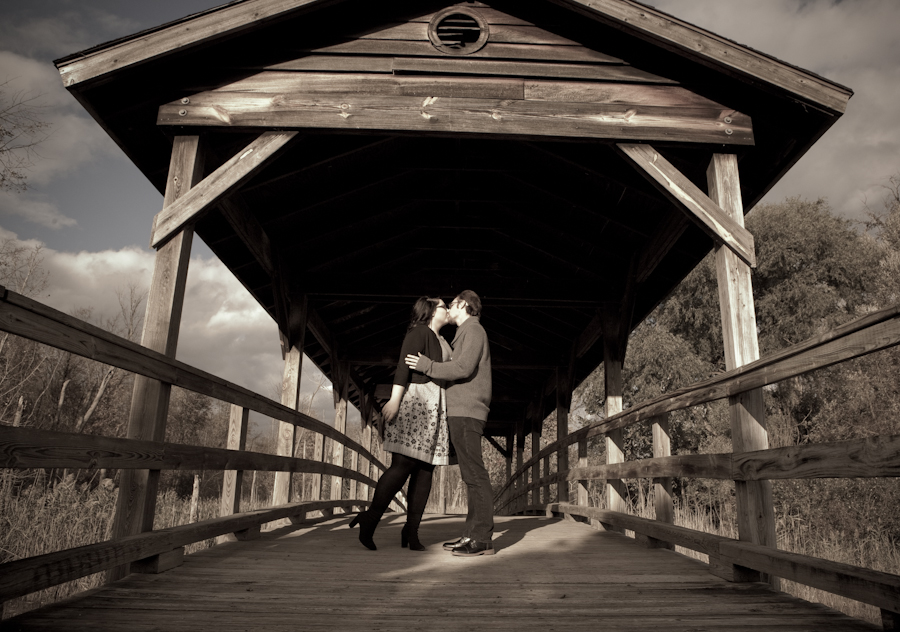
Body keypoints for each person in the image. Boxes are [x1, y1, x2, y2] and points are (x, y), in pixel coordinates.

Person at [349, 296, 452, 551]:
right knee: (403, 464)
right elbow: (403, 367)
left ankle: (411, 531)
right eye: (443, 306)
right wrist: (394, 400)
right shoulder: (419, 332)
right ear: (430, 311)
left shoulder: (443, 341)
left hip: (436, 405)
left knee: (426, 469)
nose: (447, 309)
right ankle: (370, 518)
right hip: (417, 401)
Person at [406, 289, 494, 557]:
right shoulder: (465, 333)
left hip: (468, 411)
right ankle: (470, 535)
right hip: (460, 411)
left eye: (452, 303)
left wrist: (427, 366)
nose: (449, 308)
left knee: (475, 476)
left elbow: (463, 368)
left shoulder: (474, 330)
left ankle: (482, 539)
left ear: (464, 305)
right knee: (470, 477)